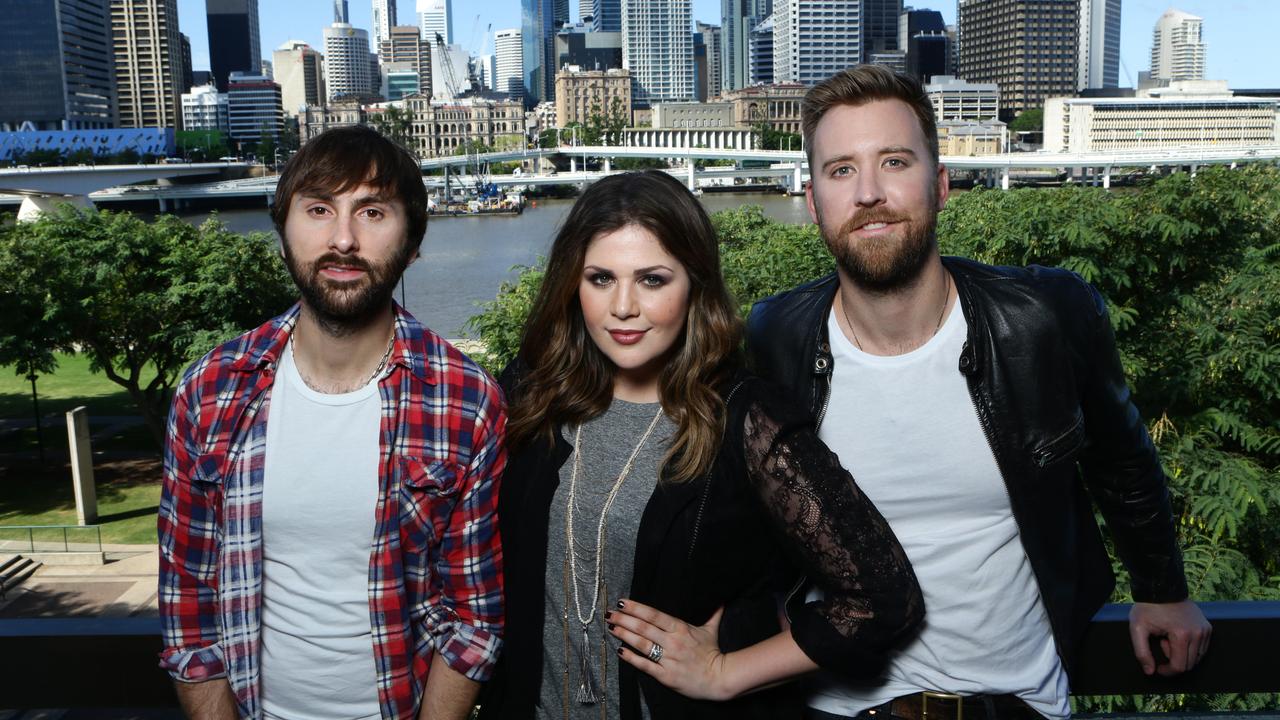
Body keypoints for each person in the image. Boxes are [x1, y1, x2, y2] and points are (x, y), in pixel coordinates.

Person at [746, 65, 1212, 720]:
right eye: (841, 170)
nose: (870, 192)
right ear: (814, 198)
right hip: (836, 707)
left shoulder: (1043, 317)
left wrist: (1162, 590)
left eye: (895, 162)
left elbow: (1123, 460)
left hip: (1017, 705)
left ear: (940, 186)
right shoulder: (774, 337)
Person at [480, 170, 924, 720]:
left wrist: (725, 673)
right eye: (600, 278)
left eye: (652, 280)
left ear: (694, 284)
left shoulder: (745, 419)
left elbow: (883, 599)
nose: (622, 307)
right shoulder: (530, 391)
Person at [157, 126, 506, 720]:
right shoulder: (210, 391)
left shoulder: (466, 400)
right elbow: (188, 603)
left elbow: (473, 616)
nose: (343, 239)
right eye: (319, 209)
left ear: (414, 241)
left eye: (372, 212)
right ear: (284, 230)